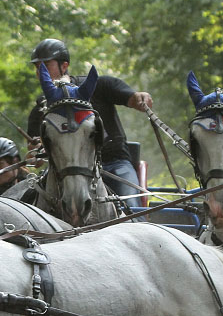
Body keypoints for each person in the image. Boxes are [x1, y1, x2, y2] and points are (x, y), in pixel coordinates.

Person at [27, 38, 152, 212]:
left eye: (45, 66)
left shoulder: (99, 86)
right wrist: (35, 154)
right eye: (36, 68)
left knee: (132, 208)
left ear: (64, 66)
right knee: (29, 205)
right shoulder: (41, 108)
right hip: (65, 172)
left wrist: (139, 98)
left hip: (113, 164)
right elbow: (34, 152)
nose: (40, 73)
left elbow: (132, 98)